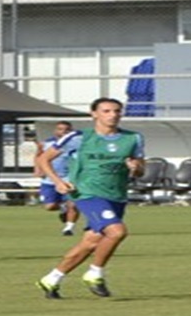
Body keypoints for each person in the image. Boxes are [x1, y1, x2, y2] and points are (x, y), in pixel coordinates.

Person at [34, 98, 145, 299]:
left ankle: (52, 278)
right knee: (117, 232)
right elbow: (44, 159)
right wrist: (58, 182)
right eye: (106, 111)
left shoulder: (133, 138)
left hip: (116, 196)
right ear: (94, 114)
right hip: (86, 193)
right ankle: (95, 273)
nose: (112, 115)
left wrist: (136, 169)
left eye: (116, 111)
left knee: (91, 242)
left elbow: (140, 169)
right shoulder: (78, 137)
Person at [37, 120, 83, 235]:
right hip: (50, 179)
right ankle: (63, 208)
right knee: (50, 206)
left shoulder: (74, 142)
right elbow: (39, 156)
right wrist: (38, 169)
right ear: (55, 130)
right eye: (60, 129)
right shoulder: (48, 143)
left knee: (73, 204)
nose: (63, 132)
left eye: (66, 130)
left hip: (69, 178)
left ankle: (69, 228)